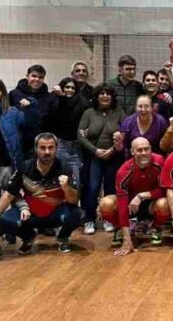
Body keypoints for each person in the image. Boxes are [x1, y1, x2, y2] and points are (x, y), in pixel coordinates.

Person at [0, 133, 81, 254]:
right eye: (42, 148)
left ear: (56, 149)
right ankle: (28, 237)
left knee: (77, 214)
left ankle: (63, 237)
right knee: (5, 220)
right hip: (31, 214)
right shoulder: (24, 167)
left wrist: (66, 187)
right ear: (36, 149)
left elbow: (73, 201)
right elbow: (7, 195)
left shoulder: (65, 167)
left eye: (51, 147)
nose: (47, 152)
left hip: (55, 213)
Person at [98, 137, 170, 255]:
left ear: (151, 149)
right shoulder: (123, 171)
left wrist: (142, 196)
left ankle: (155, 227)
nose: (144, 153)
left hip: (151, 203)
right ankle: (121, 229)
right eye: (139, 150)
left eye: (146, 149)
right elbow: (122, 204)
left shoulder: (160, 162)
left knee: (165, 204)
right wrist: (127, 241)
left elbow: (166, 189)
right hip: (130, 205)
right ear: (132, 152)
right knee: (106, 204)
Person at [77, 83, 126, 234]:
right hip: (94, 158)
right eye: (101, 93)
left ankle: (108, 218)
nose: (105, 96)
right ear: (97, 96)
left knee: (111, 189)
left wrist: (112, 150)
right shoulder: (89, 113)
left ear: (112, 97)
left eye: (108, 93)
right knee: (92, 188)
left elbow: (125, 132)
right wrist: (95, 150)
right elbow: (79, 135)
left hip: (114, 158)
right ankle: (89, 220)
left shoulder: (119, 113)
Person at [9, 64, 59, 157]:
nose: (37, 79)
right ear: (27, 76)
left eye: (40, 77)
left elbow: (54, 119)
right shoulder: (14, 94)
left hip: (40, 144)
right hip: (18, 142)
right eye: (34, 76)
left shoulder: (49, 97)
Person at [51, 77, 91, 185]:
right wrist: (62, 98)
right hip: (60, 143)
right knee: (58, 178)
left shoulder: (82, 103)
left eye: (73, 88)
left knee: (75, 180)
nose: (70, 90)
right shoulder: (55, 100)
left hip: (76, 145)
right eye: (67, 87)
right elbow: (60, 116)